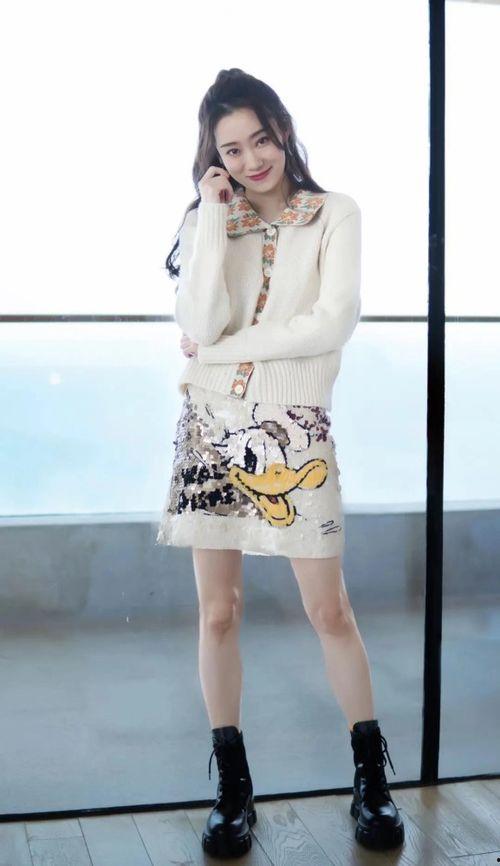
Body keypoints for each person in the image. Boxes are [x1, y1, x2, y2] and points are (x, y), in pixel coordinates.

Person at [156, 67, 405, 857]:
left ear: (284, 131)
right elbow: (200, 318)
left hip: (295, 428)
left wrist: (221, 352)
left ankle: (371, 781)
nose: (252, 159)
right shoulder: (209, 218)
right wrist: (212, 218)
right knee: (218, 613)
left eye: (260, 139)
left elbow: (331, 322)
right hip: (210, 429)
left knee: (330, 611)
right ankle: (233, 788)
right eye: (232, 149)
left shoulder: (335, 214)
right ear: (215, 158)